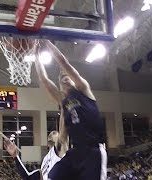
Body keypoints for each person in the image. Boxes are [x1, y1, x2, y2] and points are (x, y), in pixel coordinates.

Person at [35, 40, 107, 180]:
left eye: (67, 76)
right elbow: (44, 79)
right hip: (76, 151)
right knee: (52, 176)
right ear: (60, 86)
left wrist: (47, 42)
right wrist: (36, 54)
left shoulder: (83, 90)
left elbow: (63, 63)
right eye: (61, 78)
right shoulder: (63, 101)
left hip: (93, 151)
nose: (64, 78)